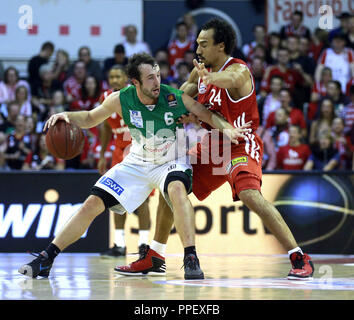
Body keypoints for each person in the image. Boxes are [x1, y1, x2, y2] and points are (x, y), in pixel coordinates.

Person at [18, 52, 249, 280]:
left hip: (172, 159)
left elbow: (206, 115)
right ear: (136, 82)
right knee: (91, 204)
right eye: (150, 77)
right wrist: (66, 115)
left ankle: (191, 257)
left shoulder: (173, 97)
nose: (157, 81)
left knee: (177, 190)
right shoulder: (121, 98)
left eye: (158, 75)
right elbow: (90, 118)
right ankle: (47, 257)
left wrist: (228, 128)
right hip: (138, 161)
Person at [117, 18, 315, 281]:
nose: (197, 49)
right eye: (197, 43)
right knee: (172, 182)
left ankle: (299, 256)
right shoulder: (198, 73)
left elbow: (227, 79)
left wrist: (210, 78)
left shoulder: (239, 71)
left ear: (220, 46)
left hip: (240, 143)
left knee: (249, 194)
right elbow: (175, 98)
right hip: (211, 145)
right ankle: (155, 254)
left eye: (203, 44)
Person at [97, 65, 151, 257]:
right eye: (111, 76)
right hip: (119, 149)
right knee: (115, 197)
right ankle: (119, 244)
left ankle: (144, 245)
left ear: (126, 78)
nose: (114, 79)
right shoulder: (105, 97)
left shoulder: (138, 94)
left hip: (139, 146)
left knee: (142, 199)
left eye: (118, 76)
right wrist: (103, 154)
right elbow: (104, 128)